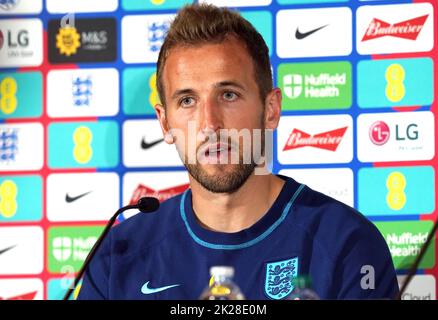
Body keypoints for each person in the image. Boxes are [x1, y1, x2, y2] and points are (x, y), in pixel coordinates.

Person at [77, 3, 399, 300]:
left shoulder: (348, 245)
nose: (209, 124)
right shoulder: (118, 258)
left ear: (271, 109)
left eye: (228, 95)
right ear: (165, 123)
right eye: (187, 101)